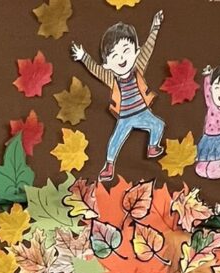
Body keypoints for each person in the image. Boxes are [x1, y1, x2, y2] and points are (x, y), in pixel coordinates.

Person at [71, 12, 165, 183]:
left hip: (143, 113)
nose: (121, 58)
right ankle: (109, 166)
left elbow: (149, 47)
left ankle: (152, 147)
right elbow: (96, 70)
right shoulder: (111, 77)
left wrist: (155, 27)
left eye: (126, 51)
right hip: (125, 117)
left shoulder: (138, 67)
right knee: (115, 140)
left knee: (158, 125)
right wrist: (83, 57)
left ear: (136, 52)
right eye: (114, 55)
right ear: (107, 63)